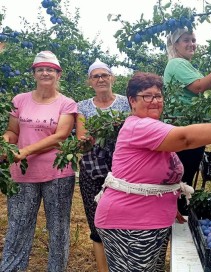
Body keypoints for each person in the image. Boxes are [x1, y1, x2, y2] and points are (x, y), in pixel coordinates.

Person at [94, 72, 211, 272]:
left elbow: (151, 174)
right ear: (132, 101)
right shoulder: (139, 126)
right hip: (130, 224)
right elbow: (185, 139)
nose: (155, 101)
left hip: (150, 221)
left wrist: (166, 200)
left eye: (158, 95)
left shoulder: (155, 127)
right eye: (147, 96)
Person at [0, 51, 77, 272]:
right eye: (40, 69)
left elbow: (60, 136)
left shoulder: (67, 103)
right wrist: (5, 143)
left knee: (58, 228)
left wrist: (24, 152)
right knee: (18, 226)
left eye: (50, 69)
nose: (45, 73)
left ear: (58, 75)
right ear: (33, 73)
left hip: (58, 174)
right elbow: (12, 131)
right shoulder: (19, 100)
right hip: (22, 174)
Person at [76, 59, 130, 272]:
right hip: (92, 170)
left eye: (104, 75)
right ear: (90, 82)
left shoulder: (127, 103)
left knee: (123, 219)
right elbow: (82, 140)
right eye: (96, 76)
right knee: (97, 220)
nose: (101, 79)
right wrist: (97, 134)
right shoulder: (82, 106)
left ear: (112, 78)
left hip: (123, 169)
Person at [163, 27, 211, 215]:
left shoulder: (189, 66)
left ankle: (180, 213)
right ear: (175, 45)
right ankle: (175, 215)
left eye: (193, 40)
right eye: (186, 40)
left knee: (185, 176)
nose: (192, 44)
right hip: (183, 130)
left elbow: (208, 85)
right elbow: (199, 87)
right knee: (181, 175)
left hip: (192, 130)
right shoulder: (176, 64)